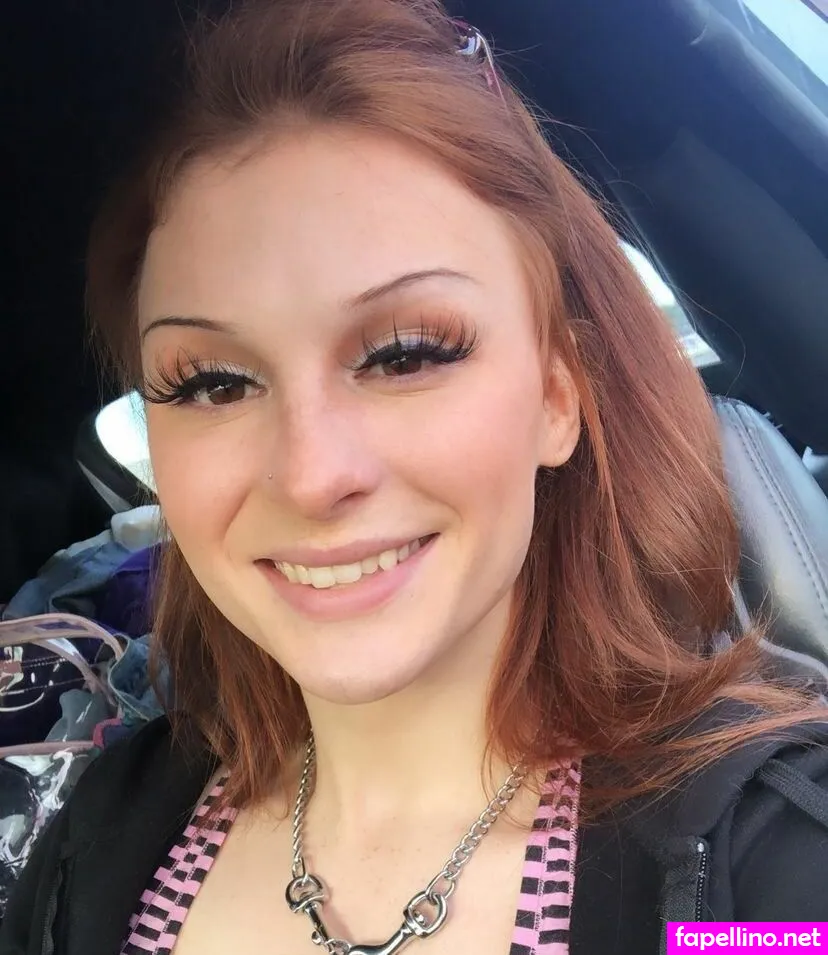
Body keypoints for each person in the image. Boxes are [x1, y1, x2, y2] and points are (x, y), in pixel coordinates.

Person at [4, 1, 828, 953]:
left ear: (556, 396)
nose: (312, 475)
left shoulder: (773, 880)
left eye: (405, 354)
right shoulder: (98, 843)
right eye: (214, 382)